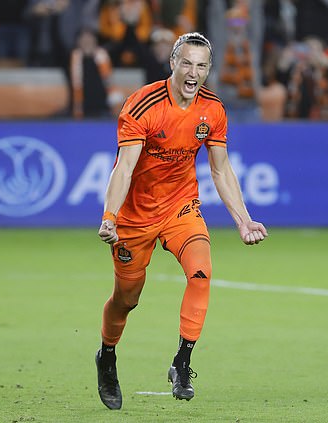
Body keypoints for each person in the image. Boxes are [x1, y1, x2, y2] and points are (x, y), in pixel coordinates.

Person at [95, 32, 268, 410]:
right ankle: (107, 356)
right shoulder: (142, 106)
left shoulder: (213, 110)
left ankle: (182, 362)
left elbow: (221, 171)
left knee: (201, 272)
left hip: (180, 207)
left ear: (209, 70)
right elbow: (124, 169)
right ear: (172, 63)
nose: (193, 72)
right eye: (187, 63)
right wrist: (110, 217)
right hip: (135, 218)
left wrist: (243, 219)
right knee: (127, 300)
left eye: (201, 65)